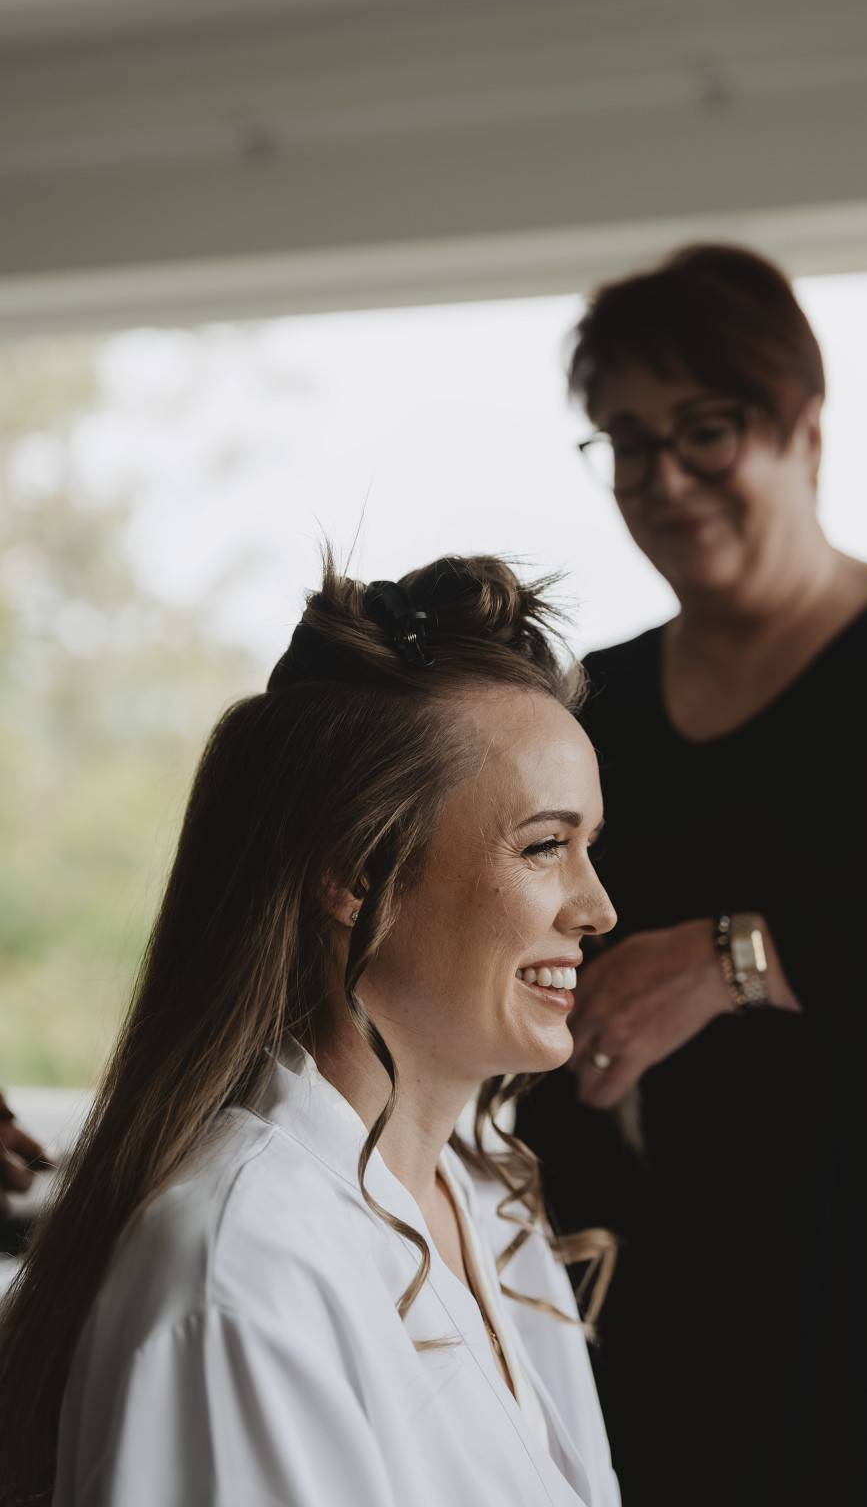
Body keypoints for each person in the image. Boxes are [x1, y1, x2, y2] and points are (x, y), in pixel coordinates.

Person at [517, 244, 867, 1506]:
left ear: (803, 429)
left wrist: (736, 959)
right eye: (626, 442)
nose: (664, 478)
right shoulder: (599, 707)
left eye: (706, 430)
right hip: (683, 1305)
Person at [0, 554, 620, 1507]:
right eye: (544, 846)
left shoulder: (489, 1205)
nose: (597, 909)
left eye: (588, 847)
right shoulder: (242, 1271)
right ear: (357, 875)